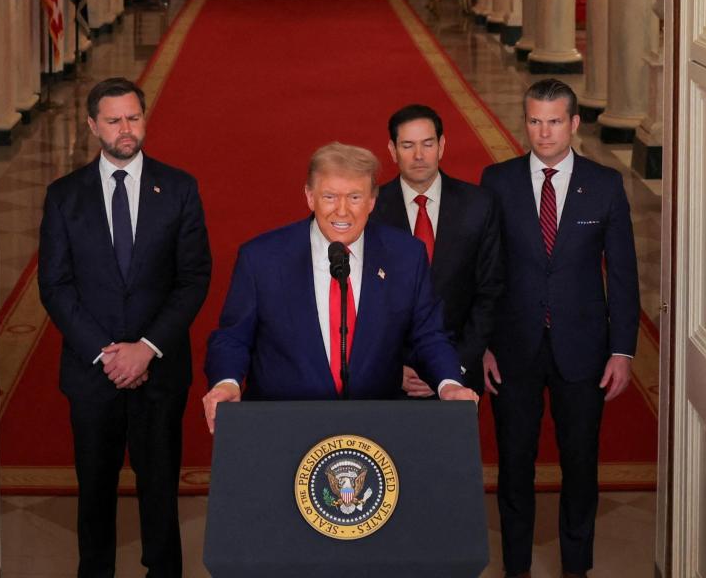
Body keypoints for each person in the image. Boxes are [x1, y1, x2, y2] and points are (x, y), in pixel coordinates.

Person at [38, 77, 212, 578]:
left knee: (160, 488)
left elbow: (194, 277)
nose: (126, 129)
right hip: (93, 374)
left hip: (159, 371)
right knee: (95, 489)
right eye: (113, 120)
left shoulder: (178, 188)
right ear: (93, 126)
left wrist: (146, 349)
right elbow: (56, 287)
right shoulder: (64, 197)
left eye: (133, 117)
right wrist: (108, 352)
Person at [202, 142, 480, 430]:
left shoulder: (405, 256)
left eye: (355, 197)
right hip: (283, 427)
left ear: (372, 200)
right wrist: (226, 382)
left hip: (375, 429)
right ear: (310, 197)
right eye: (330, 196)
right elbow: (233, 338)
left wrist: (449, 385)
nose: (343, 211)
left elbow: (429, 335)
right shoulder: (262, 258)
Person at [480, 78, 640, 578]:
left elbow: (624, 274)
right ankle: (517, 568)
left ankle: (577, 567)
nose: (543, 132)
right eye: (534, 120)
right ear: (524, 122)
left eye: (553, 121)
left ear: (573, 124)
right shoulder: (497, 181)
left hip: (583, 351)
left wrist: (623, 351)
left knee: (580, 467)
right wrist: (483, 345)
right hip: (513, 349)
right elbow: (484, 272)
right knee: (514, 468)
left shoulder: (606, 184)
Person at [372, 103, 504, 396]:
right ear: (392, 150)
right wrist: (392, 369)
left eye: (427, 144)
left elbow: (490, 291)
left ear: (442, 146)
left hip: (459, 372)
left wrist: (452, 369)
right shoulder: (370, 209)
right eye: (408, 145)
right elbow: (360, 299)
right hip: (390, 379)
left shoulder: (479, 205)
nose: (419, 155)